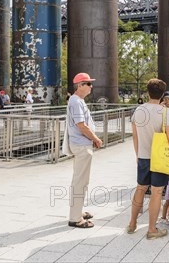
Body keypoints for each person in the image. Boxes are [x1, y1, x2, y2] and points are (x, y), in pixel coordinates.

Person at [128, 78, 169, 240]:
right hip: (160, 158)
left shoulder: (139, 110)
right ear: (163, 94)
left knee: (140, 189)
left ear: (147, 92)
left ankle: (132, 223)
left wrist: (137, 155)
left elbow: (135, 137)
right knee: (156, 192)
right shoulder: (166, 112)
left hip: (143, 156)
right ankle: (151, 229)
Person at [67, 73, 103, 229]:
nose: (91, 86)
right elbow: (82, 126)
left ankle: (77, 211)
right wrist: (96, 138)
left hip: (82, 144)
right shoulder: (76, 101)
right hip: (82, 145)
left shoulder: (78, 101)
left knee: (81, 180)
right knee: (80, 181)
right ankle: (75, 218)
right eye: (88, 83)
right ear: (80, 85)